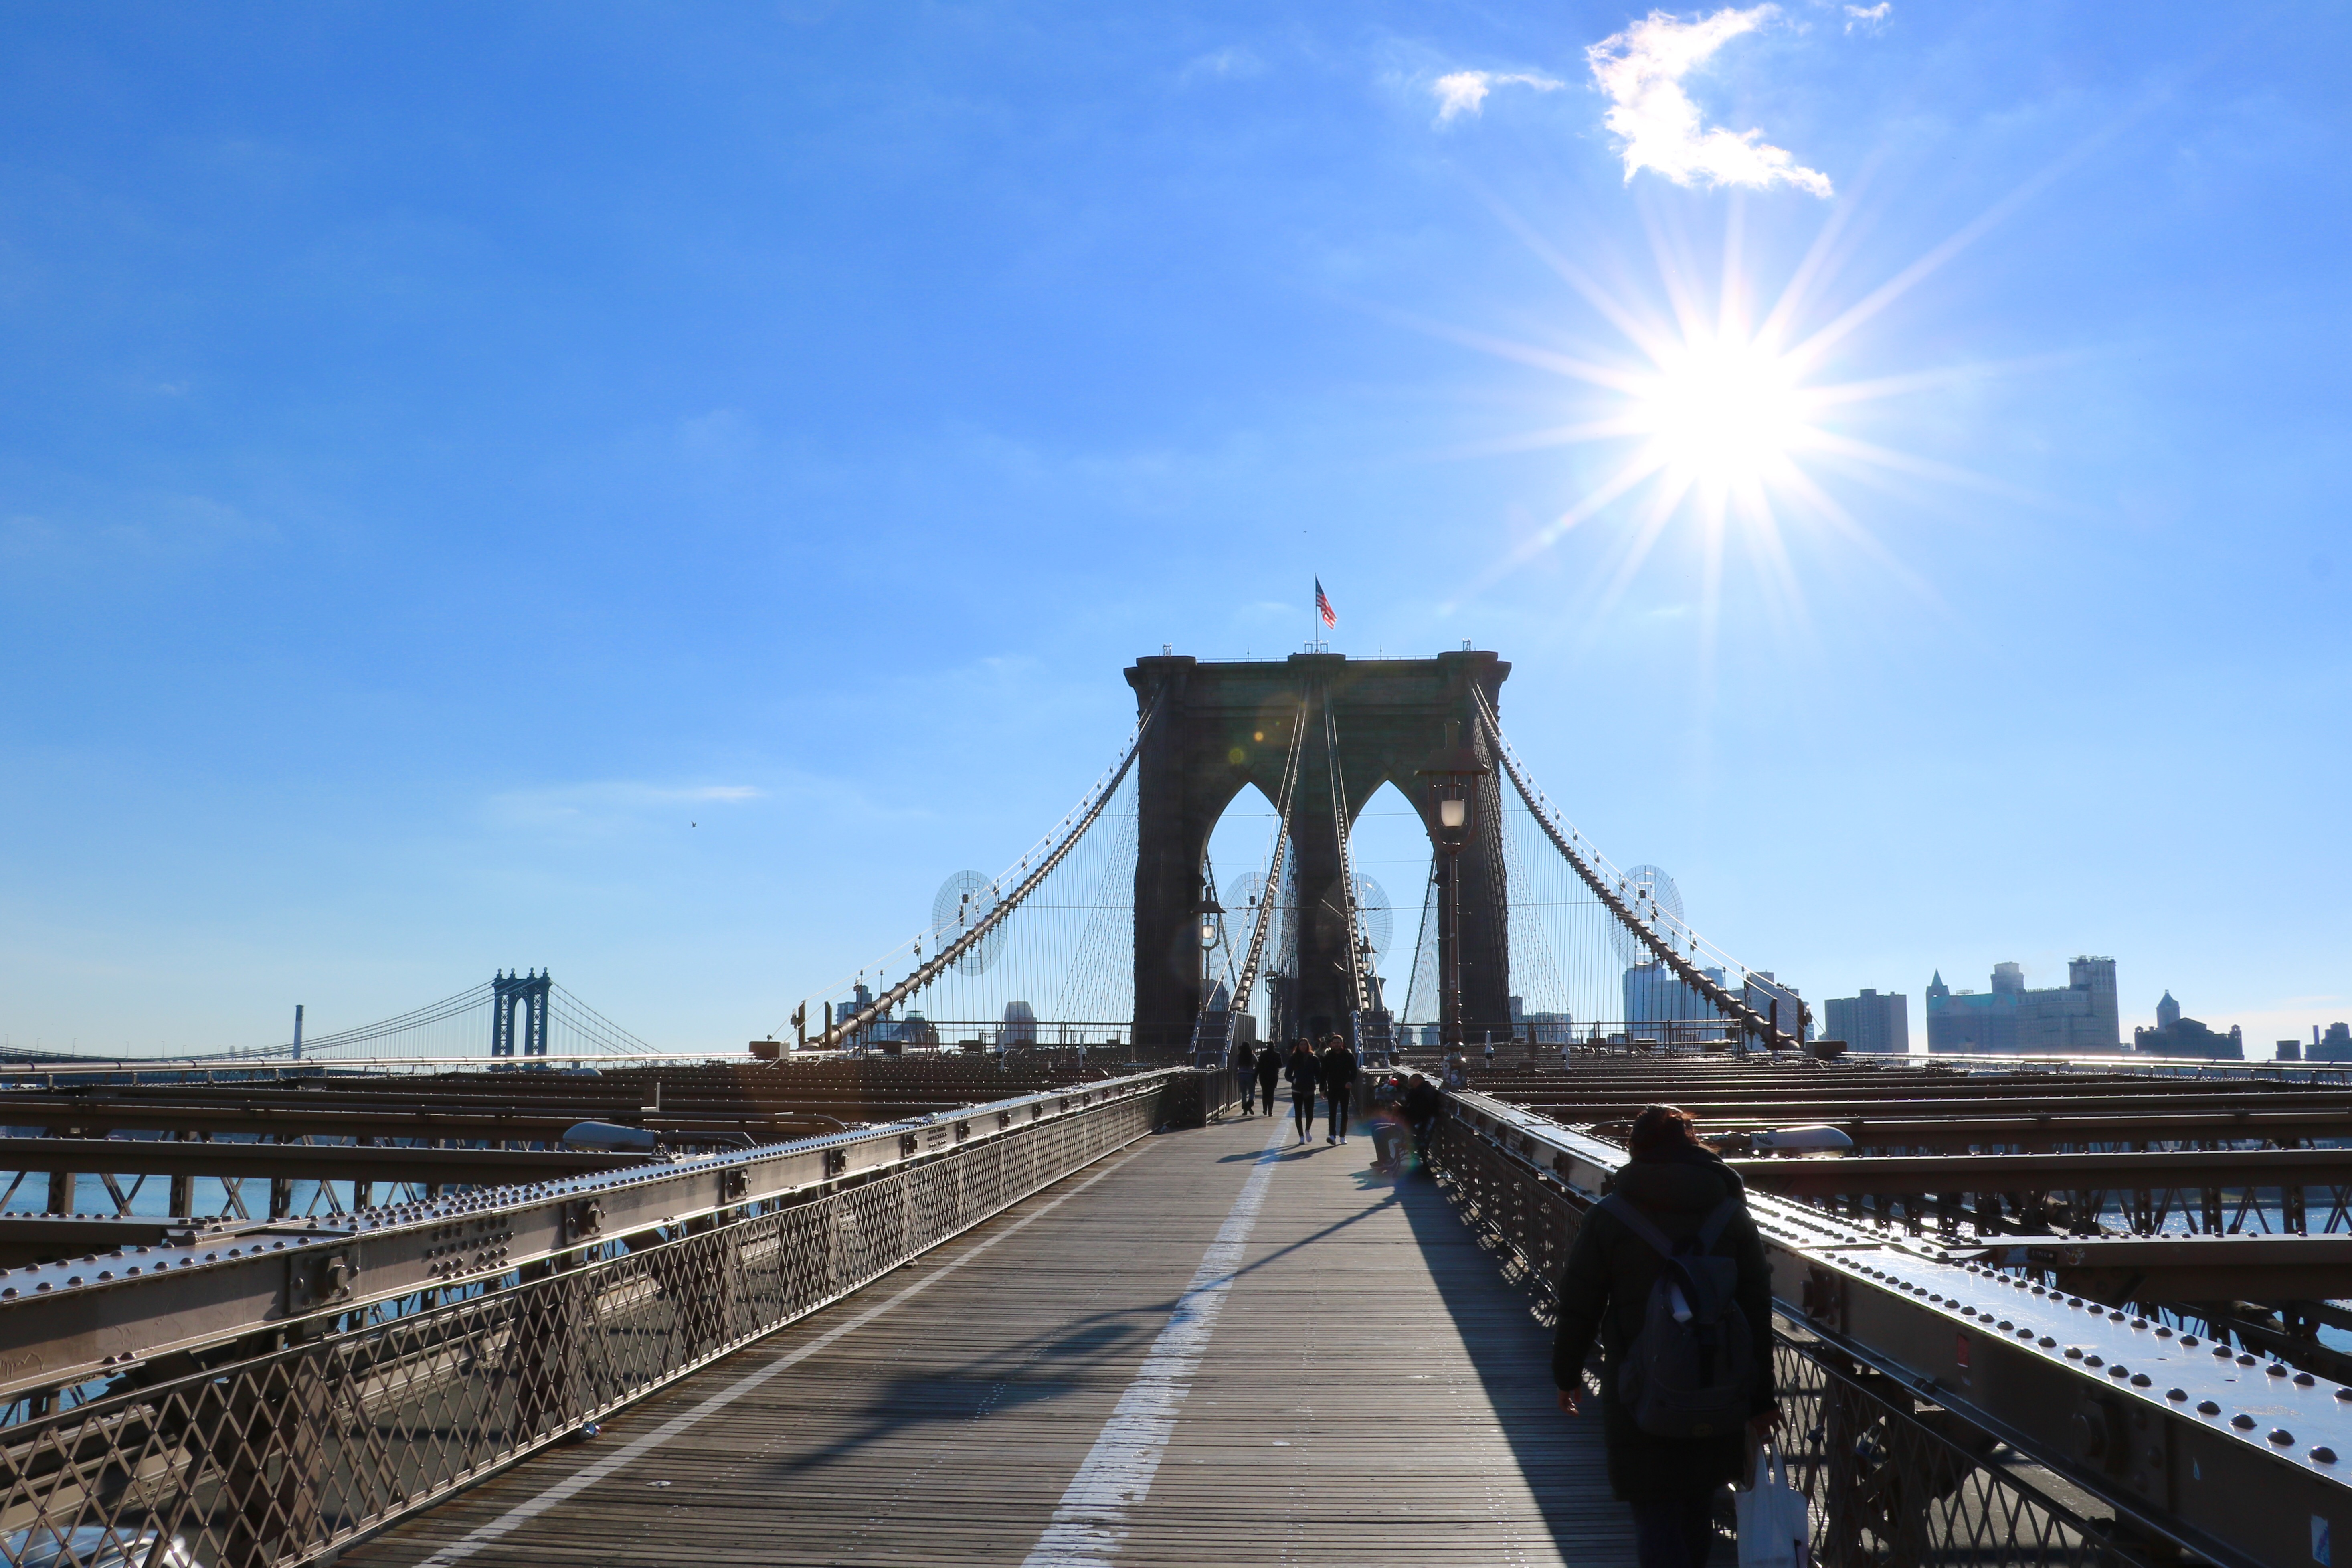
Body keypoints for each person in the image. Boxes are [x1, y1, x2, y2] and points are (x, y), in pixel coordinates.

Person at [1552, 1104, 1777, 1568]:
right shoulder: (1730, 1213)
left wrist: (1567, 1372)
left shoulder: (1610, 1214)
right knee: (1697, 1502)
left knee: (1654, 1505)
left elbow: (1580, 1301)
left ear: (1634, 1149)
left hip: (1639, 1384)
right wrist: (1760, 1398)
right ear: (1693, 1146)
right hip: (1714, 1378)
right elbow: (1755, 1310)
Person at [1318, 1035, 1358, 1145]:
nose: (1336, 1045)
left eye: (1338, 1043)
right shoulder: (1328, 1057)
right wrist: (1322, 1089)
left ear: (1342, 1044)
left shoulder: (1348, 1056)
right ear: (1332, 1044)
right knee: (1332, 1113)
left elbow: (1354, 1072)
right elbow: (1324, 1074)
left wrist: (1350, 1082)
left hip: (1345, 1088)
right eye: (1335, 1043)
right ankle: (1332, 1135)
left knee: (1345, 1112)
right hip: (1332, 1088)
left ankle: (1343, 1136)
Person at [1401, 1072, 1442, 1167]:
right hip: (1419, 1130)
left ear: (1418, 1081)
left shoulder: (1421, 1094)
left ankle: (1386, 1161)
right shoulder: (1426, 1091)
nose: (1411, 1088)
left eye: (1412, 1085)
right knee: (1380, 1130)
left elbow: (1415, 1113)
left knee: (1380, 1132)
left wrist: (1400, 1109)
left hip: (1416, 1131)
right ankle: (1387, 1161)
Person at [1286, 1038, 1319, 1144]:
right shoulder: (1294, 1058)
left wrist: (1316, 1081)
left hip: (1310, 1089)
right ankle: (1301, 1136)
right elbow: (1288, 1074)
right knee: (1298, 1113)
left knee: (1310, 1113)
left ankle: (1308, 1130)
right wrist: (1293, 1080)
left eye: (1305, 1045)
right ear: (1298, 1046)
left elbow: (1319, 1073)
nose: (1303, 1046)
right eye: (1301, 1045)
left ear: (1308, 1046)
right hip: (1297, 1089)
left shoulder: (1313, 1058)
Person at [1254, 1040, 1283, 1116]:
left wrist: (1255, 1076)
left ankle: (1265, 1110)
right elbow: (1280, 1065)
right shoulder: (1277, 1055)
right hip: (1273, 1076)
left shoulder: (1263, 1054)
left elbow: (1259, 1066)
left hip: (1263, 1076)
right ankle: (1270, 1112)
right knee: (1271, 1094)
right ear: (1274, 1047)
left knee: (1265, 1093)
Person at [1232, 1046, 1255, 1115]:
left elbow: (1235, 1067)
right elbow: (1258, 1064)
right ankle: (1249, 1104)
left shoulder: (1239, 1057)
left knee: (1243, 1093)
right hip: (1250, 1075)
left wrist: (1238, 1072)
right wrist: (1254, 1071)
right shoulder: (1252, 1056)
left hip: (1241, 1075)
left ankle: (1245, 1109)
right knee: (1252, 1091)